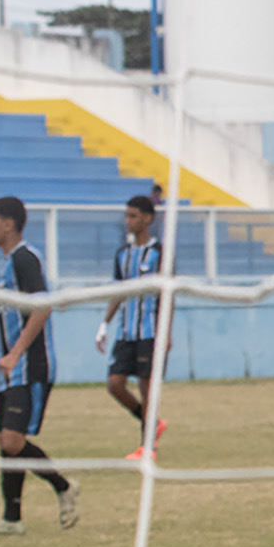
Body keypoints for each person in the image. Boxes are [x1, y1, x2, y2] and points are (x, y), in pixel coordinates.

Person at [0, 196, 78, 535]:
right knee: (6, 442)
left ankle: (63, 486)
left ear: (8, 225)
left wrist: (16, 352)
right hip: (8, 371)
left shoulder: (25, 258)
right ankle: (12, 519)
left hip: (29, 366)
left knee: (12, 441)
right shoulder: (6, 264)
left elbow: (42, 307)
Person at [99, 195, 167, 460]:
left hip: (149, 331)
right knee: (115, 384)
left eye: (133, 216)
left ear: (147, 219)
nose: (128, 221)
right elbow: (119, 291)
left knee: (147, 388)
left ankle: (147, 447)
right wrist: (104, 323)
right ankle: (152, 424)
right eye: (126, 216)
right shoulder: (123, 254)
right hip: (126, 332)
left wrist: (166, 332)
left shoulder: (159, 253)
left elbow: (166, 295)